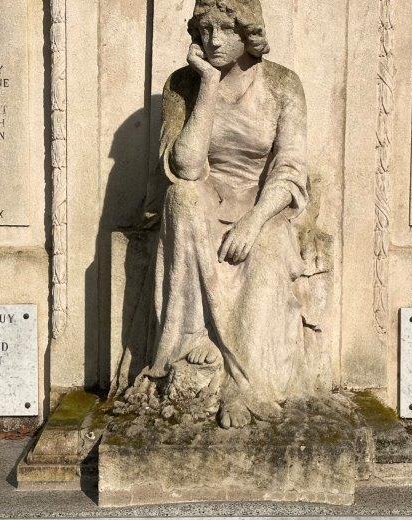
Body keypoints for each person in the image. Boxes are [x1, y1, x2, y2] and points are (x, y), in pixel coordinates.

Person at [131, 0, 313, 429]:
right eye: (204, 29)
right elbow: (186, 167)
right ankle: (192, 337)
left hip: (261, 205)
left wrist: (254, 221)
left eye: (226, 29)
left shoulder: (283, 85)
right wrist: (207, 87)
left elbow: (290, 169)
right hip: (205, 202)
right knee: (183, 198)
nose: (213, 40)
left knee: (266, 248)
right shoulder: (182, 85)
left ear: (248, 33)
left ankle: (242, 382)